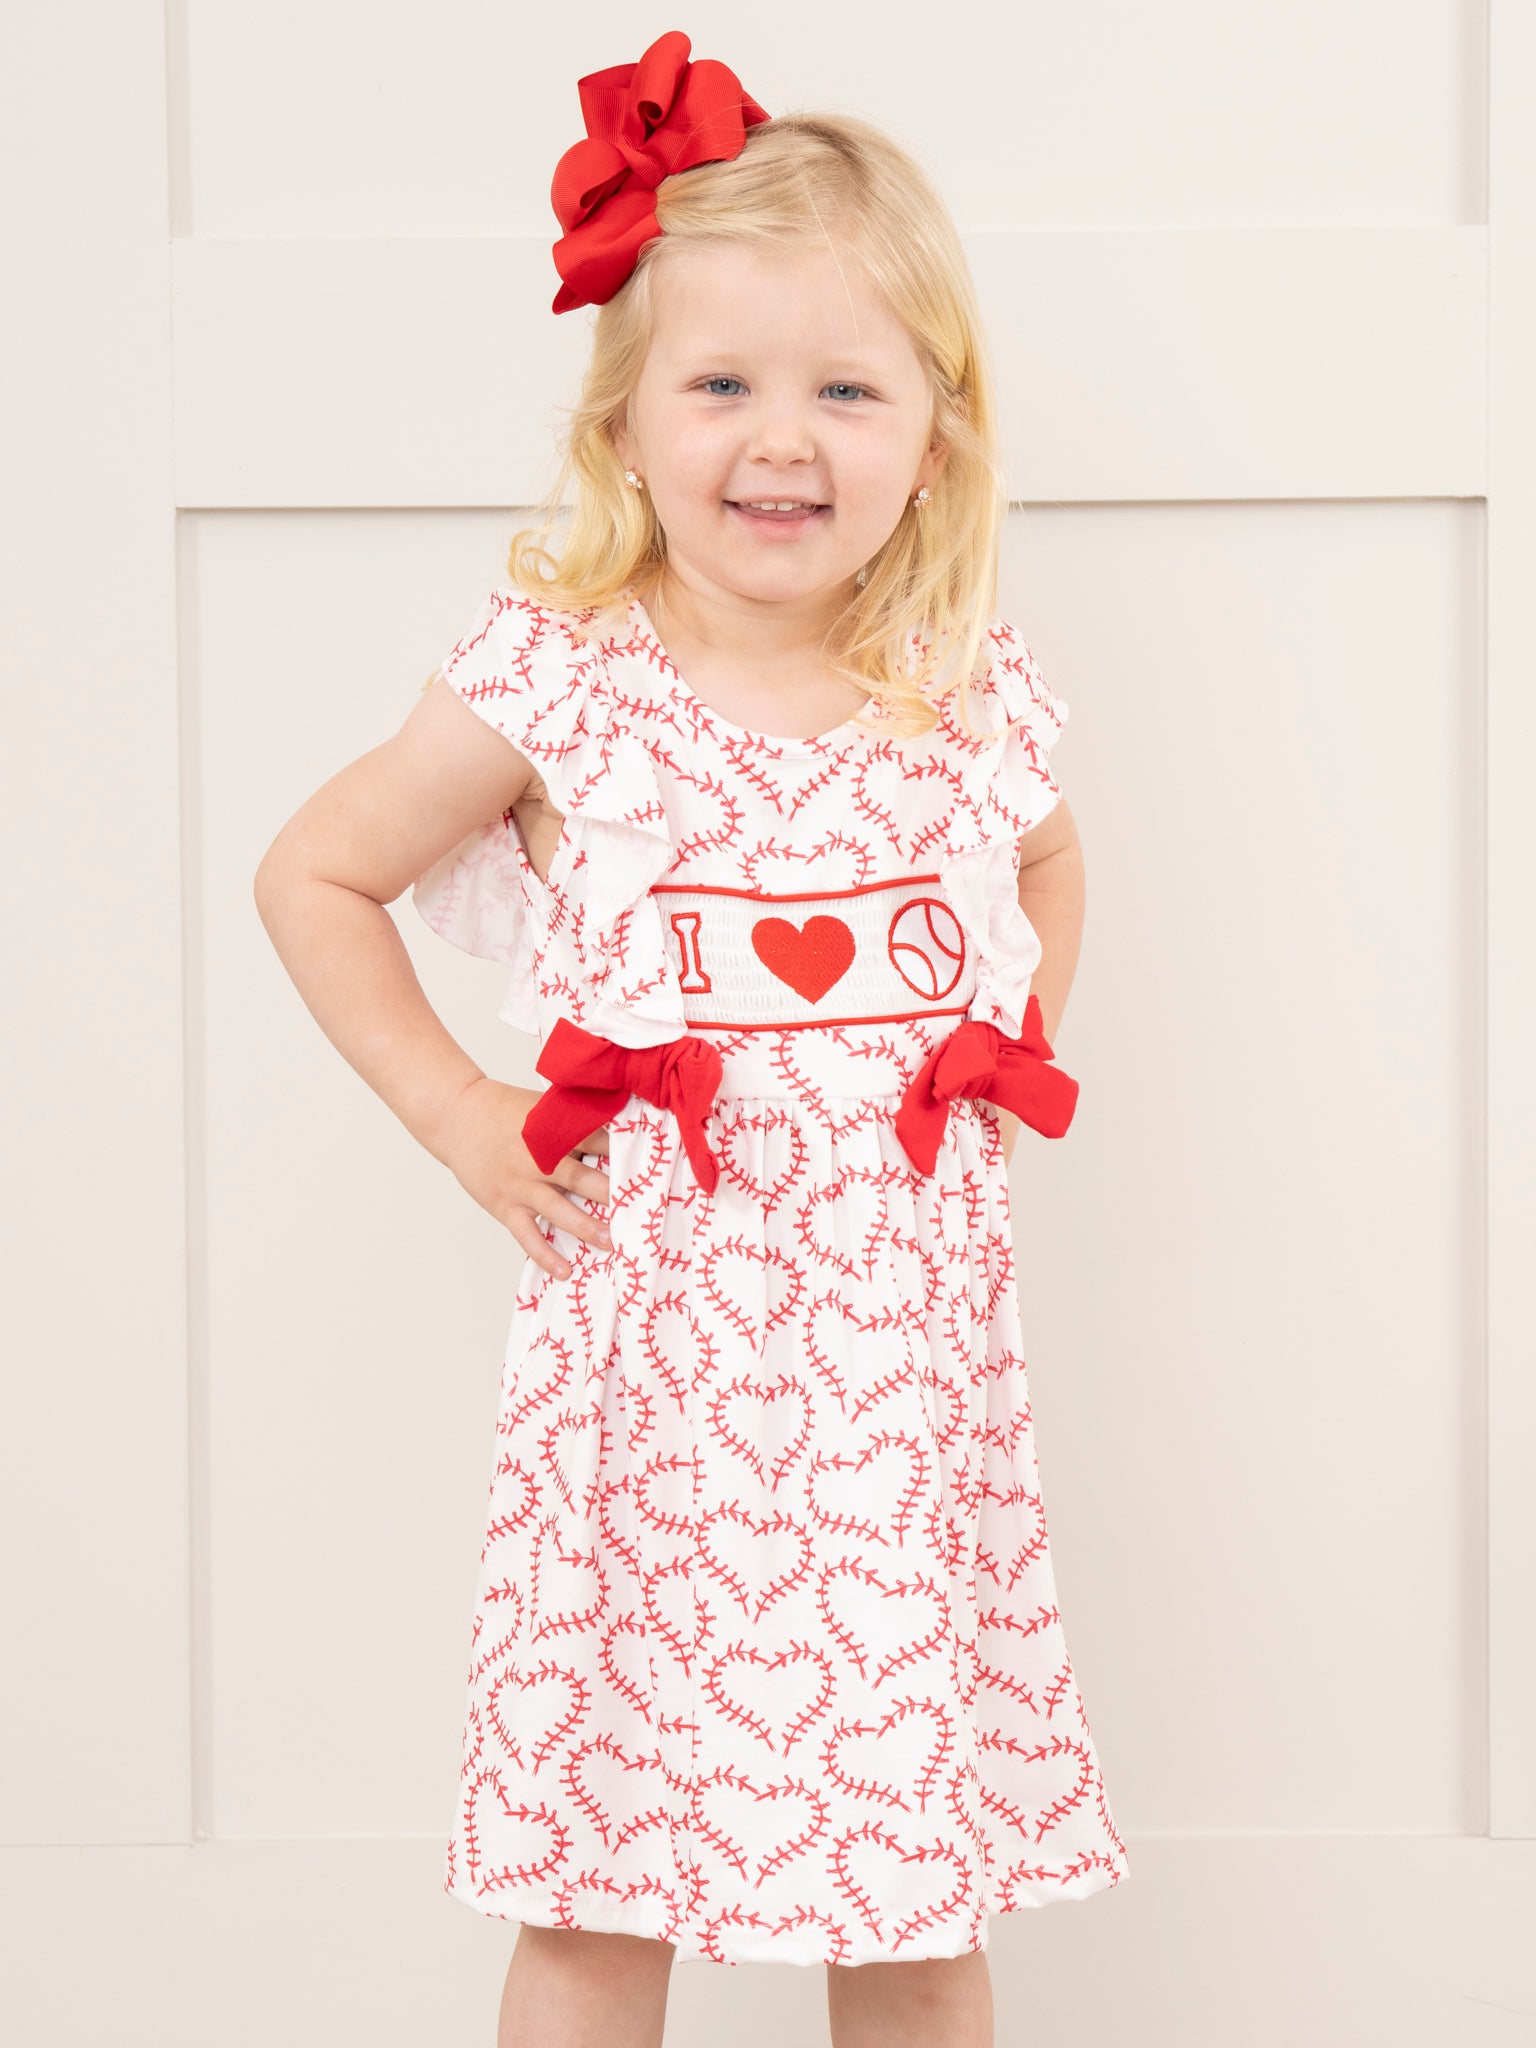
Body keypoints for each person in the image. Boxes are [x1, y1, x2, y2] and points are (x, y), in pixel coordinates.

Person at [255, 29, 1128, 2048]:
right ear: (627, 422)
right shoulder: (567, 679)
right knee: (598, 1887)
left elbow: (1049, 858)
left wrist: (1000, 1054)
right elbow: (316, 872)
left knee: (910, 1903)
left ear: (937, 433)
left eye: (847, 389)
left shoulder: (954, 685)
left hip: (900, 1406)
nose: (780, 438)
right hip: (649, 1415)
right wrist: (462, 1111)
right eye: (721, 384)